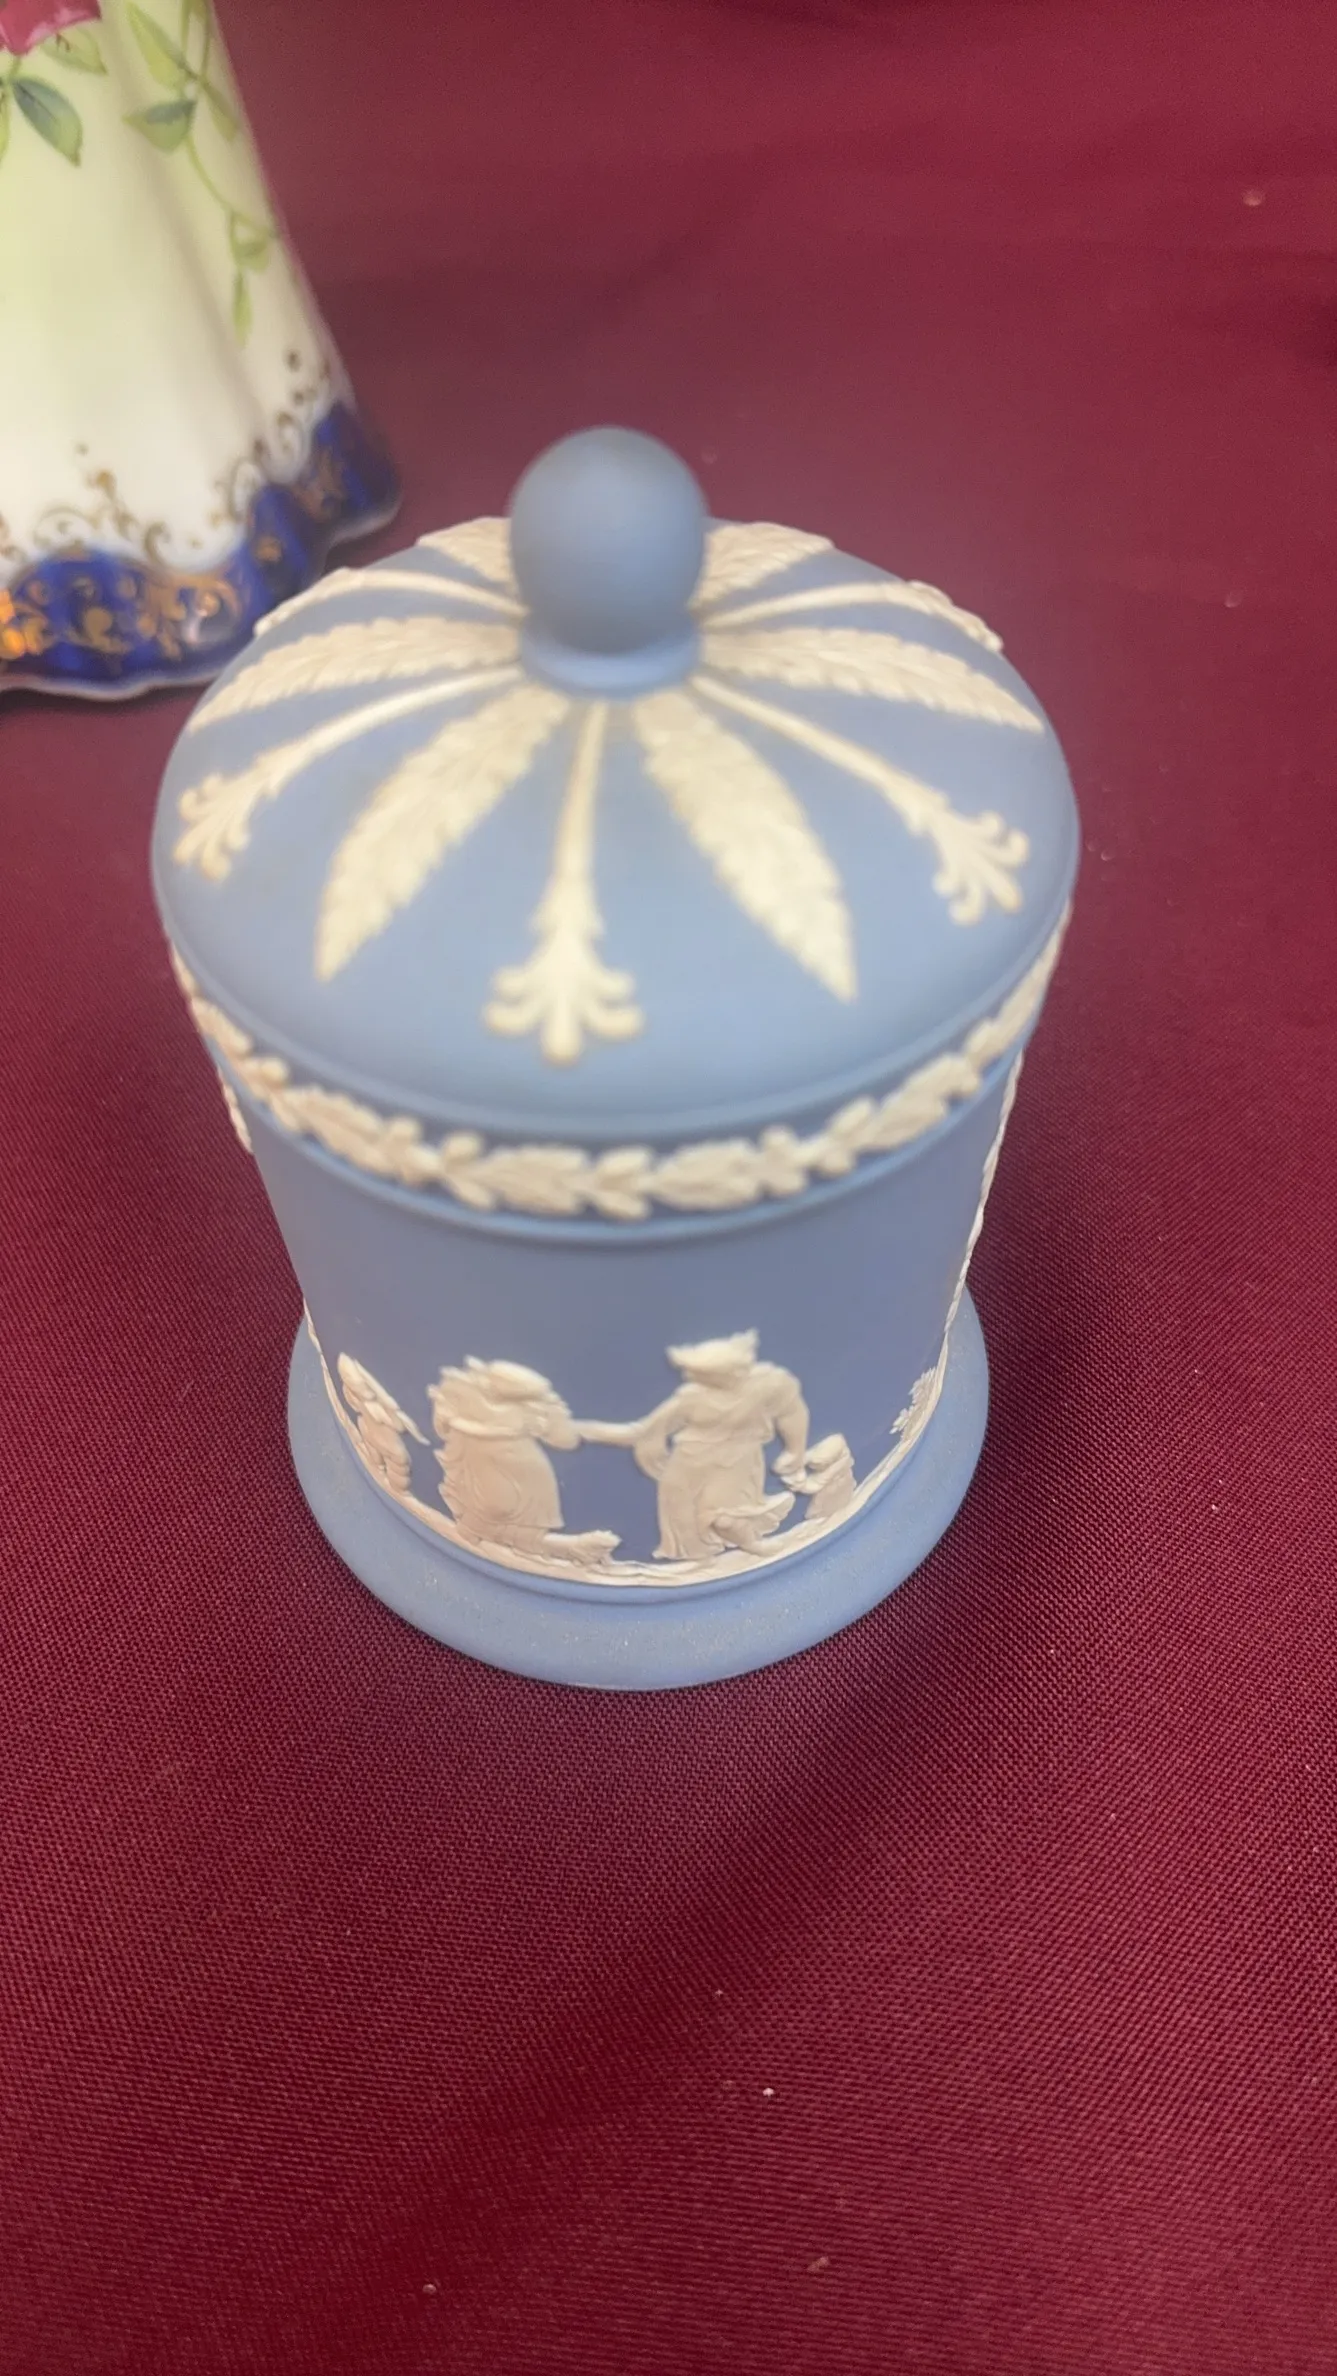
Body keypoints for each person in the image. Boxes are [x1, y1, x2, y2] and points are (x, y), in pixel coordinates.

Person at [588, 1331, 810, 1562]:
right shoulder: (691, 1399)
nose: (690, 1376)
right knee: (687, 1516)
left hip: (735, 1461)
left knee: (723, 1515)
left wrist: (796, 1450)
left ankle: (751, 1544)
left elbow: (791, 1413)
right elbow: (642, 1431)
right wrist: (587, 1431)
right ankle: (703, 1560)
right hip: (688, 1464)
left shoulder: (767, 1384)